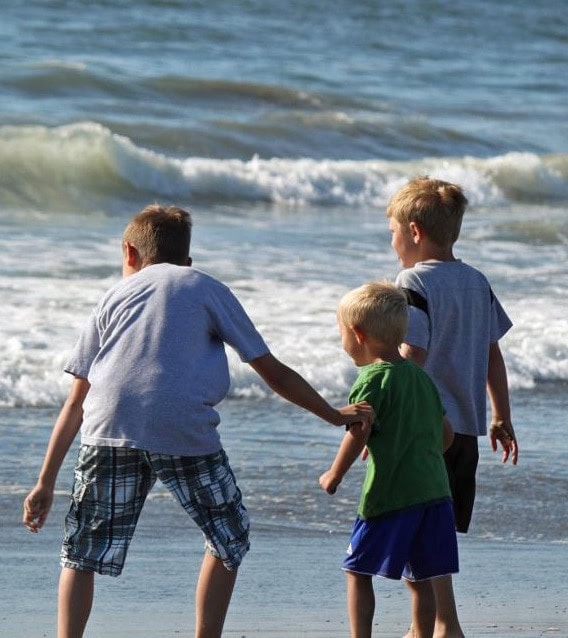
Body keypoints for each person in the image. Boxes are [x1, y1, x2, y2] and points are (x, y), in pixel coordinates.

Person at [22, 204, 374, 638]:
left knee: (81, 553)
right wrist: (332, 414)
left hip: (107, 429)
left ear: (129, 253)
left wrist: (44, 482)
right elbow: (273, 371)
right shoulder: (204, 286)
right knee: (229, 536)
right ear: (187, 261)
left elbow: (76, 401)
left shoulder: (111, 297)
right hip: (182, 429)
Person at [387, 176, 519, 637]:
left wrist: (385, 412)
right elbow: (492, 351)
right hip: (464, 431)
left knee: (414, 529)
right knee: (436, 531)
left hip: (424, 429)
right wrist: (500, 414)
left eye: (393, 231)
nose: (393, 241)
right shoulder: (475, 281)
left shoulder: (412, 281)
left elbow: (412, 356)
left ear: (415, 231)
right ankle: (432, 625)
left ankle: (444, 624)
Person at [319, 281, 458, 638]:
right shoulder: (421, 378)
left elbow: (358, 430)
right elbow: (446, 435)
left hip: (390, 495)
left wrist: (333, 474)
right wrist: (412, 451)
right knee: (421, 577)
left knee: (357, 571)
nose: (342, 342)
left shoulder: (372, 380)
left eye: (341, 334)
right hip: (434, 494)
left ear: (358, 334)